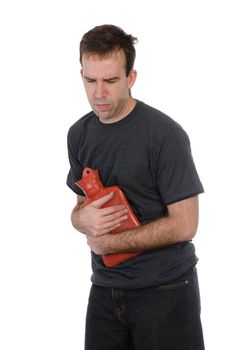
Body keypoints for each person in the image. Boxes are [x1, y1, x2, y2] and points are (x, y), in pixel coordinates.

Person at [66, 24, 205, 350]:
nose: (99, 93)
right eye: (90, 80)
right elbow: (79, 208)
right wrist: (79, 220)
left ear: (131, 78)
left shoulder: (164, 135)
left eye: (111, 81)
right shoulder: (78, 135)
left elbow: (186, 225)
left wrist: (110, 244)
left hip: (166, 290)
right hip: (104, 289)